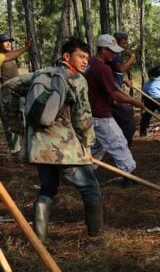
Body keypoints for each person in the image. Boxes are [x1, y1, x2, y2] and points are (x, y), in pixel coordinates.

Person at [1, 39, 103, 242]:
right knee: (90, 188)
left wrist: (15, 123)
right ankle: (96, 237)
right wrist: (87, 146)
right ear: (67, 57)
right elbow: (83, 118)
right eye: (81, 56)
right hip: (65, 150)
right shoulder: (76, 79)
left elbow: (8, 86)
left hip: (39, 149)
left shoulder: (40, 74)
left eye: (87, 58)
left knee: (47, 188)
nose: (85, 62)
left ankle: (40, 238)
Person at [84, 34, 143, 174]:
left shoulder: (91, 63)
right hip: (101, 114)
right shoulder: (102, 68)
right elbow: (114, 94)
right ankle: (129, 174)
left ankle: (84, 173)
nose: (115, 53)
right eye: (112, 50)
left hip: (91, 113)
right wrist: (133, 101)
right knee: (118, 142)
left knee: (98, 146)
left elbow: (112, 87)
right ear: (103, 49)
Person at [0, 35, 32, 153]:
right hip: (5, 95)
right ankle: (15, 150)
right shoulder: (2, 58)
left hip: (18, 93)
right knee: (10, 122)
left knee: (23, 118)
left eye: (10, 41)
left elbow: (12, 56)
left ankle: (25, 147)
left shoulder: (11, 58)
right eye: (5, 42)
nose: (9, 43)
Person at [108, 32, 136, 145]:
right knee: (128, 118)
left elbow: (114, 71)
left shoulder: (117, 53)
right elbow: (120, 68)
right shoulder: (114, 54)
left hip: (116, 87)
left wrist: (124, 80)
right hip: (114, 90)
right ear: (117, 41)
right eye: (124, 42)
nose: (126, 44)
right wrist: (132, 59)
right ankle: (123, 146)